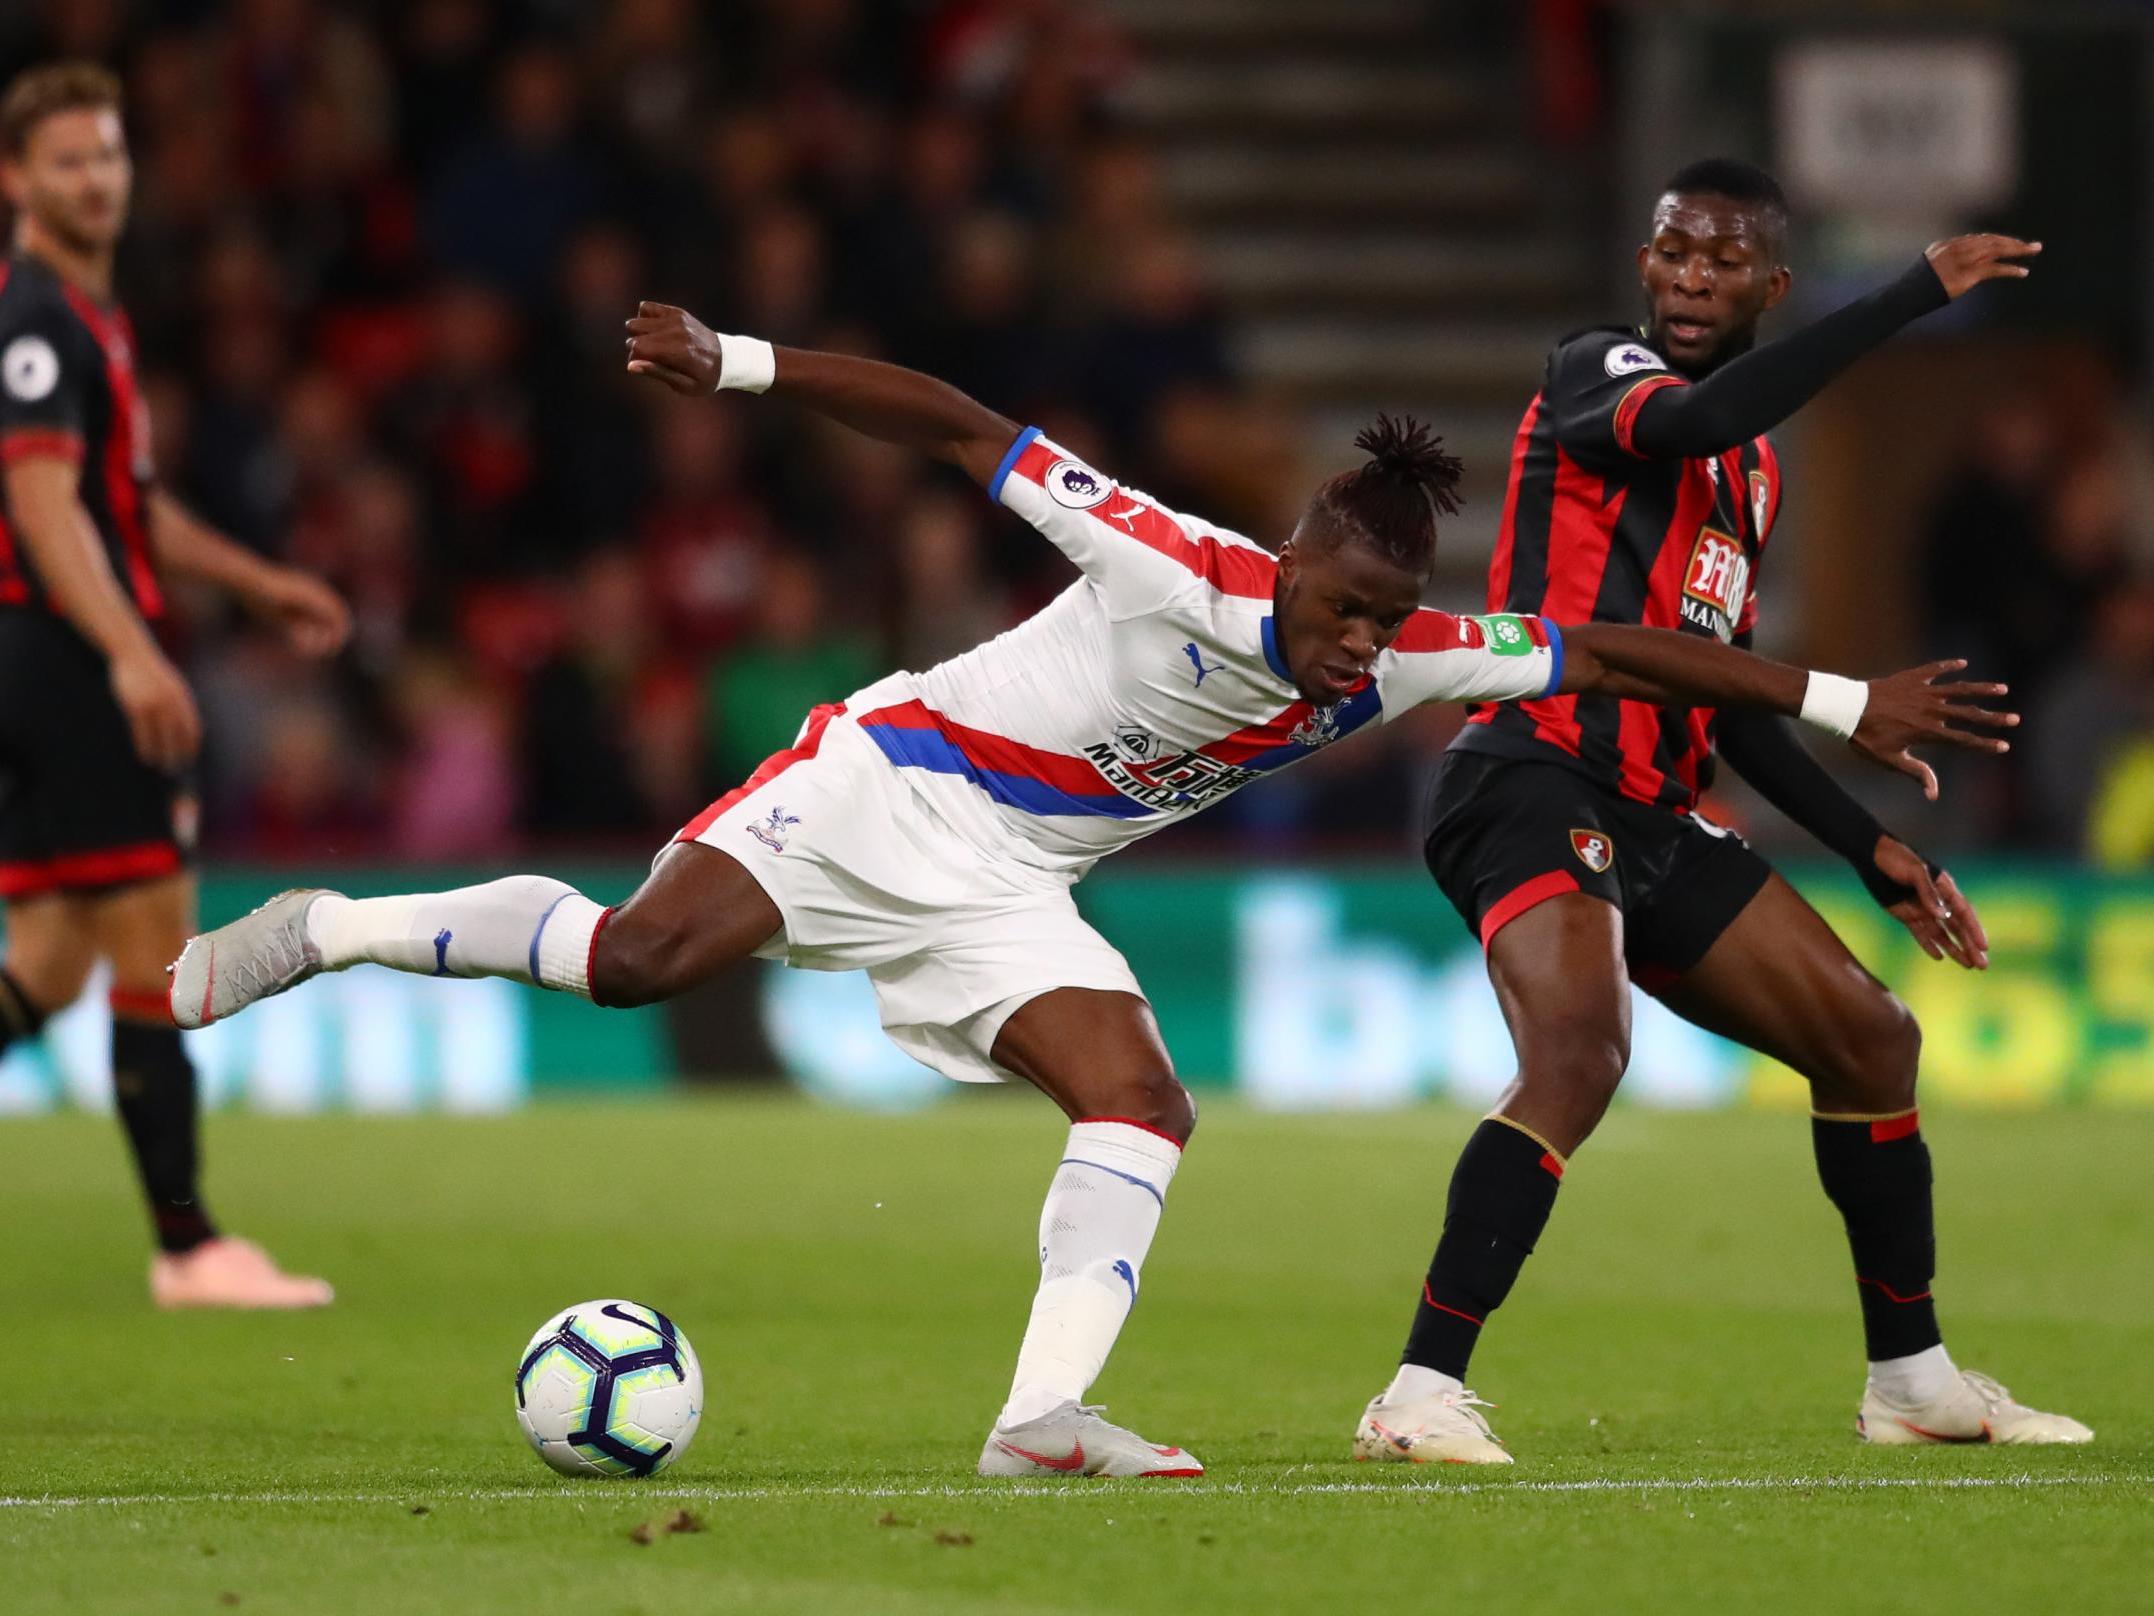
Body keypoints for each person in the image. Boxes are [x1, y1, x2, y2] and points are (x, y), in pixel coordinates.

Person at [172, 304, 2010, 1477]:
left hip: (1013, 885)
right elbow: (959, 420)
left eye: (1376, 624)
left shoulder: (1413, 655)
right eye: (1331, 610)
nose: (1346, 648)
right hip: (889, 782)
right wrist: (739, 363)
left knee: (1142, 1096)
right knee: (633, 963)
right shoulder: (1173, 561)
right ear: (1284, 561)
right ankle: (327, 927)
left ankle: (1035, 1417)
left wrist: (1841, 703)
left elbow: (1615, 653)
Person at [1354, 158, 2088, 1465]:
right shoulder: (1597, 372)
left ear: (1768, 284)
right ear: (1644, 264)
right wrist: (1908, 295)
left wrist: (1871, 847)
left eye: (1722, 262)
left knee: (1870, 1041)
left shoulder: (1752, 479)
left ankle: (1910, 1382)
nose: (1691, 280)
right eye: (1673, 253)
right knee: (1580, 1052)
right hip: (1527, 771)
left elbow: (1733, 707)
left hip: (1650, 805)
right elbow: (1694, 421)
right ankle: (1416, 1393)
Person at [0, 64, 351, 1307]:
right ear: (16, 180)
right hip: (64, 661)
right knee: (157, 941)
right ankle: (191, 1244)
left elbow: (127, 504)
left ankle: (190, 1241)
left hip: (43, 658)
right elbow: (43, 504)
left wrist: (256, 580)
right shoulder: (38, 321)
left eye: (107, 155)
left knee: (44, 959)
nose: (95, 179)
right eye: (67, 161)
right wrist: (130, 651)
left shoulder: (92, 316)